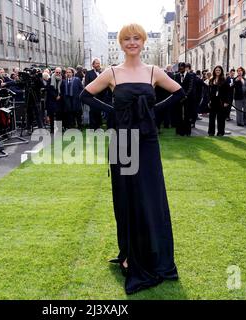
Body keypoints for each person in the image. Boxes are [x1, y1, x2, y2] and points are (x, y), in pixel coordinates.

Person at [80, 23, 184, 295]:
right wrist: (114, 112)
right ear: (121, 43)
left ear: (143, 42)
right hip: (123, 143)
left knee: (150, 198)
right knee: (127, 199)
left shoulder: (153, 71)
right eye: (127, 38)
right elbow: (85, 95)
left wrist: (153, 111)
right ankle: (128, 254)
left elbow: (179, 93)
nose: (132, 42)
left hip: (147, 143)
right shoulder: (112, 72)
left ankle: (152, 255)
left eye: (137, 38)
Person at [208, 65, 230, 136]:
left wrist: (226, 102)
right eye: (216, 70)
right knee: (211, 118)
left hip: (221, 101)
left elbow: (227, 92)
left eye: (219, 70)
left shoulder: (224, 80)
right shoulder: (211, 80)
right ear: (214, 71)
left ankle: (220, 132)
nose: (217, 71)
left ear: (221, 71)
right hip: (213, 101)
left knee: (221, 118)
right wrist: (209, 100)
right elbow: (209, 91)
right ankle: (211, 132)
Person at [174, 62, 194, 136]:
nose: (180, 69)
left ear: (185, 68)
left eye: (182, 68)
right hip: (178, 98)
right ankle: (179, 131)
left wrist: (185, 95)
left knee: (187, 115)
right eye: (179, 68)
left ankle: (187, 131)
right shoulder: (176, 76)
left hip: (187, 98)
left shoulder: (190, 75)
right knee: (178, 114)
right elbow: (175, 86)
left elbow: (190, 87)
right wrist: (179, 96)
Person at [84, 58, 106, 129]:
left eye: (99, 63)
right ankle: (93, 127)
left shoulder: (102, 73)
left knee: (99, 111)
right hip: (92, 96)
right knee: (93, 111)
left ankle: (98, 125)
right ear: (93, 65)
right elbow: (86, 85)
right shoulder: (89, 73)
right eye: (97, 63)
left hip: (101, 96)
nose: (98, 65)